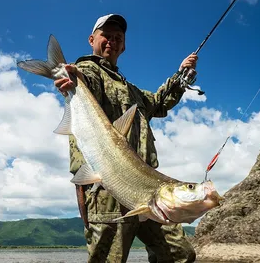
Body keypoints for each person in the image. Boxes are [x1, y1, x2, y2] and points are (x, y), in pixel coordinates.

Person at [54, 14, 198, 263]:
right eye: (106, 36)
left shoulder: (132, 90)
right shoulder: (90, 70)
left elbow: (160, 104)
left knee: (180, 254)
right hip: (105, 187)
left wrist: (182, 75)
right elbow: (84, 78)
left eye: (118, 37)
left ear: (124, 45)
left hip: (147, 186)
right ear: (92, 40)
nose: (112, 40)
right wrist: (74, 77)